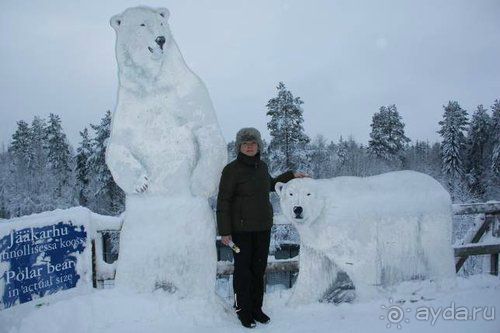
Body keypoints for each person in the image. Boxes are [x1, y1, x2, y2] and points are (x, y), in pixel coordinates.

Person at [216, 127, 307, 328]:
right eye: (245, 144)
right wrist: (224, 231)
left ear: (259, 146)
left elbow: (270, 185)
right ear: (239, 147)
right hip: (240, 232)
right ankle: (243, 310)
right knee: (243, 271)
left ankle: (256, 308)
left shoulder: (262, 167)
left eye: (253, 143)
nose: (249, 147)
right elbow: (224, 201)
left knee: (258, 270)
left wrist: (290, 175)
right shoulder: (231, 170)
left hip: (263, 228)